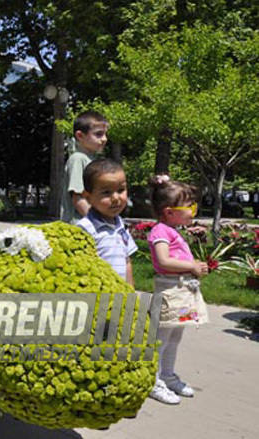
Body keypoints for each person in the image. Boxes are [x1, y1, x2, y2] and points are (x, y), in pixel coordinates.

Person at [146, 174, 210, 405]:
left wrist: (195, 269)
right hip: (170, 291)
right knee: (161, 339)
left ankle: (167, 374)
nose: (194, 209)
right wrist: (191, 266)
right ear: (169, 212)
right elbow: (163, 261)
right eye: (189, 206)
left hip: (182, 291)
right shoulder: (160, 232)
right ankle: (152, 380)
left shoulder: (173, 230)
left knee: (175, 337)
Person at [76, 158, 137, 286]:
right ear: (88, 197)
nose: (115, 198)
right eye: (106, 193)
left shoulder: (121, 225)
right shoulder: (85, 228)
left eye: (121, 190)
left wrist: (131, 292)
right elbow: (79, 266)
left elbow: (126, 262)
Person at [60, 110, 109, 224]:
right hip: (79, 227)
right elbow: (78, 198)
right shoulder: (78, 159)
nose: (104, 139)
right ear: (80, 135)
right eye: (98, 134)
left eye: (105, 134)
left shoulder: (93, 161)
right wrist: (98, 223)